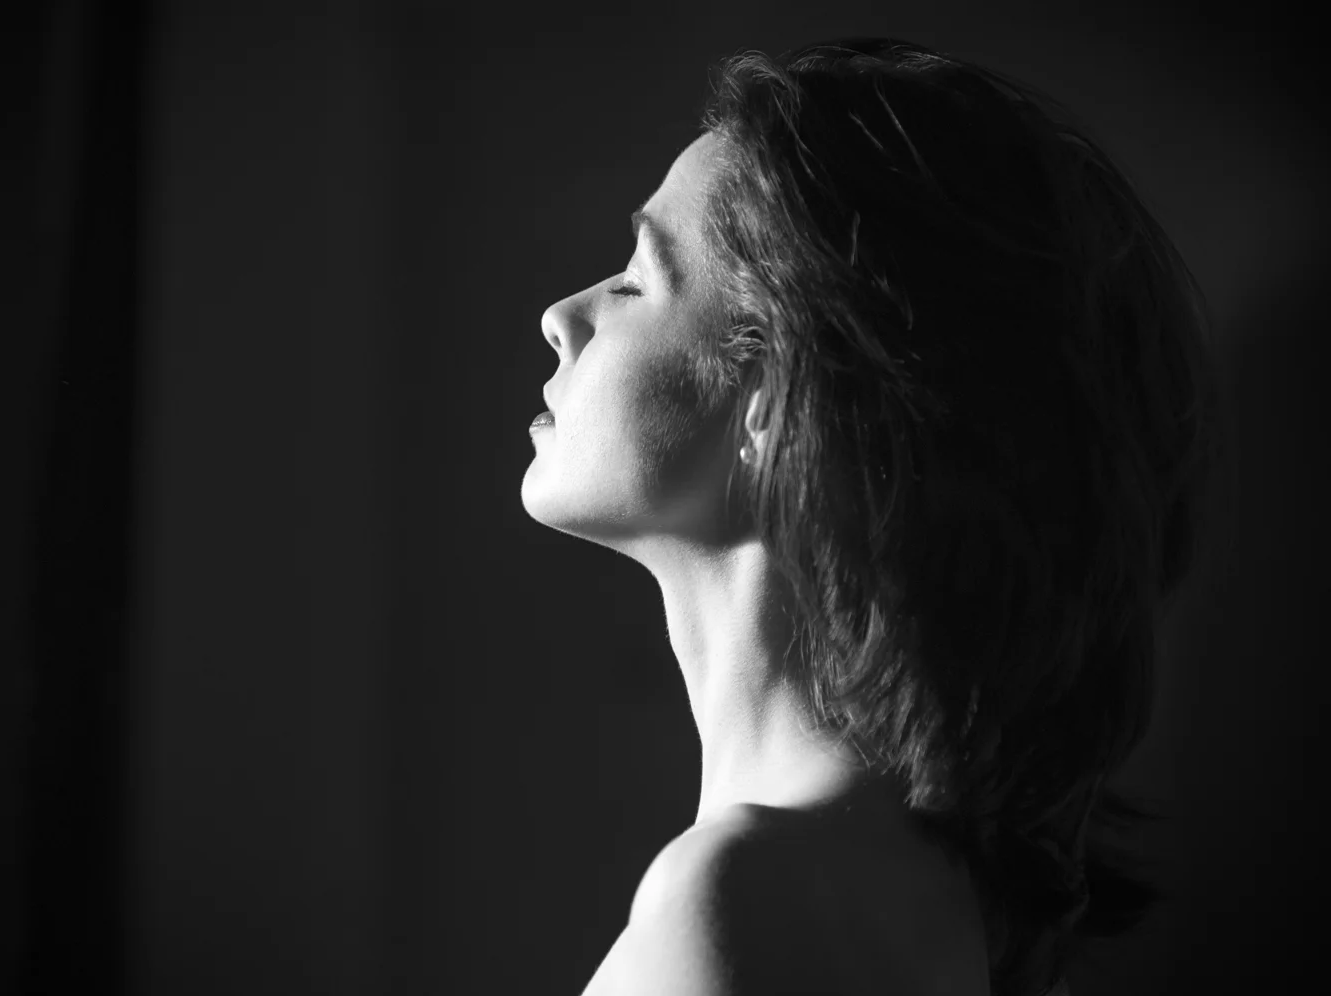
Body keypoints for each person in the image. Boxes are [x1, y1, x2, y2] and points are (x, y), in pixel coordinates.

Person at [520, 37, 1226, 996]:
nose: (562, 316)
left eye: (639, 279)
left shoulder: (737, 902)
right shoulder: (944, 914)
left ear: (778, 400)